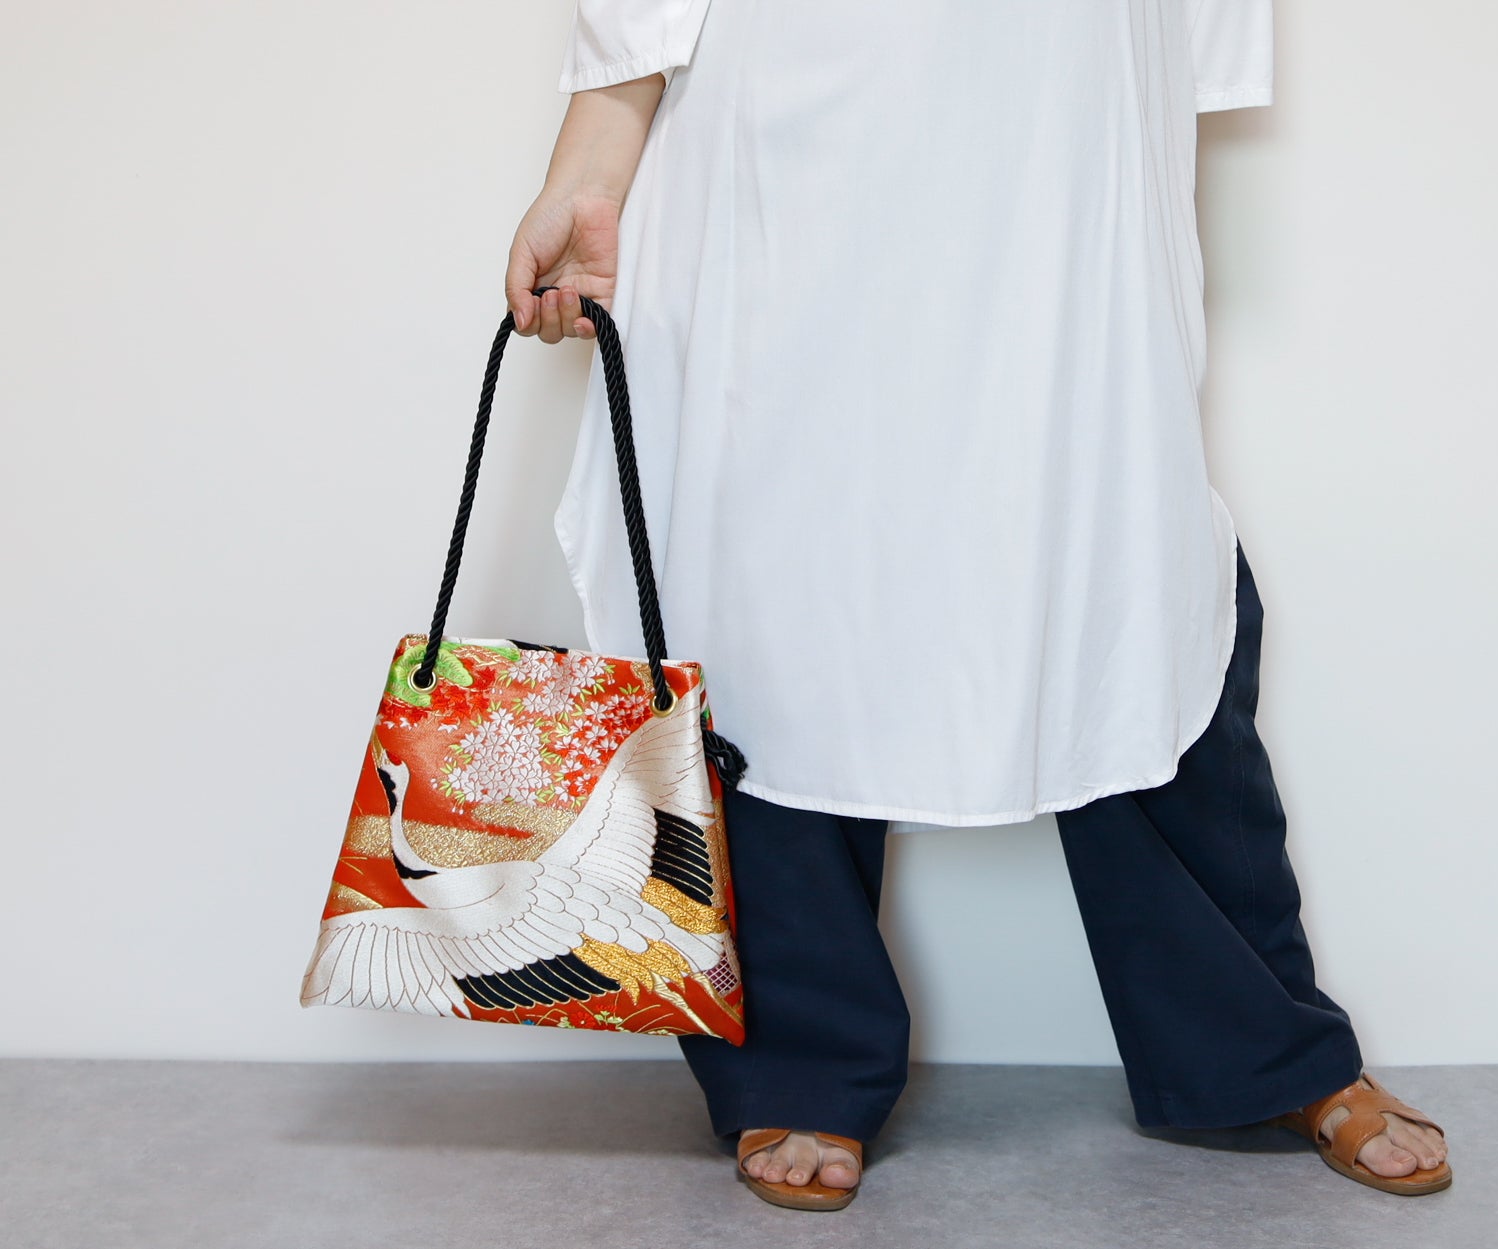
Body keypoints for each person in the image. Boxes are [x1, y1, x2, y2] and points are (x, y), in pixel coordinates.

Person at [502, 0, 1450, 1210]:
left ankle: (1255, 1043)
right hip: (794, 117)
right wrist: (590, 165)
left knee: (1123, 574)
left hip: (1075, 110)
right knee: (776, 584)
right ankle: (797, 1058)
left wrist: (1149, 100)